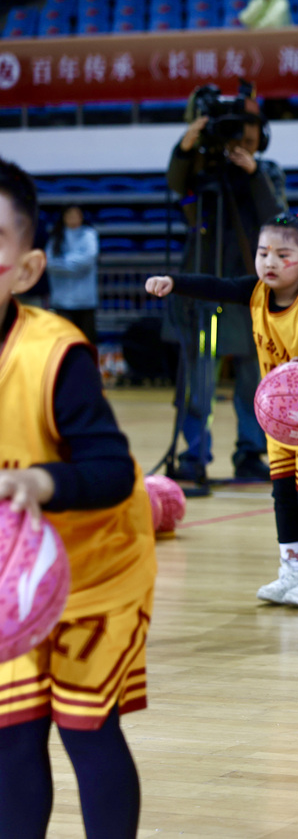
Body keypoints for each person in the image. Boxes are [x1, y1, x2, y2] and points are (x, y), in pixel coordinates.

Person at [0, 156, 157, 838]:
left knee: (85, 725)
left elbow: (111, 469)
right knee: (11, 731)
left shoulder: (56, 353)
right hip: (11, 579)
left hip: (97, 569)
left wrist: (40, 481)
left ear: (27, 268)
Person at [145, 210, 298, 608]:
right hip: (280, 414)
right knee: (283, 492)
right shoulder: (256, 291)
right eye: (262, 252)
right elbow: (216, 286)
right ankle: (292, 570)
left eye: (282, 255)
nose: (270, 262)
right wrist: (174, 282)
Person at [166, 98, 287, 484]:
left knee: (253, 378)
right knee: (198, 379)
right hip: (202, 287)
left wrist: (253, 175)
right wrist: (185, 148)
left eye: (248, 135)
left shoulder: (267, 172)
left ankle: (250, 452)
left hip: (248, 289)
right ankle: (194, 453)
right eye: (235, 134)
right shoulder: (202, 170)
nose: (241, 142)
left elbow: (278, 220)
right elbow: (176, 185)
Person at [45, 204, 99, 347]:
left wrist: (63, 262)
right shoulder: (56, 237)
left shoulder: (89, 234)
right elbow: (49, 263)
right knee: (64, 342)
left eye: (76, 215)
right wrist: (74, 262)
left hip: (85, 300)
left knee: (86, 341)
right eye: (69, 215)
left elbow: (88, 259)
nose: (73, 218)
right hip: (61, 300)